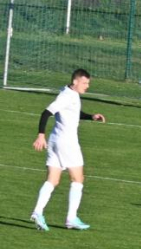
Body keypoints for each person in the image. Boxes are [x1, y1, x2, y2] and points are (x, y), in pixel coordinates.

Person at [30, 69, 106, 232]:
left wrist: (91, 116)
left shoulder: (70, 94)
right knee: (78, 179)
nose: (87, 86)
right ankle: (71, 218)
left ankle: (38, 212)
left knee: (53, 180)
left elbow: (73, 113)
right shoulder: (66, 96)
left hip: (56, 141)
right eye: (85, 83)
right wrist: (40, 135)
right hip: (67, 143)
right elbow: (46, 113)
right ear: (76, 81)